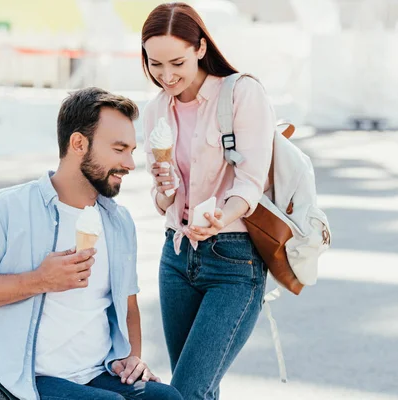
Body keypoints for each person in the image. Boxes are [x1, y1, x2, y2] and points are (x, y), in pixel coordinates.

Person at [0, 87, 183, 400]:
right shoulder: (4, 208)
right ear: (79, 143)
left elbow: (128, 305)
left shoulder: (119, 222)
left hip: (100, 372)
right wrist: (39, 280)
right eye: (119, 149)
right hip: (26, 379)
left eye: (132, 151)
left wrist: (131, 357)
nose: (130, 163)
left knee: (167, 398)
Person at [140, 3, 276, 399]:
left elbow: (251, 181)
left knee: (184, 393)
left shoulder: (241, 93)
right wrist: (163, 188)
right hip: (176, 257)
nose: (166, 76)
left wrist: (221, 215)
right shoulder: (155, 111)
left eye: (177, 62)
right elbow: (162, 199)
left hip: (233, 260)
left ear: (201, 48)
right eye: (155, 64)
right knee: (200, 391)